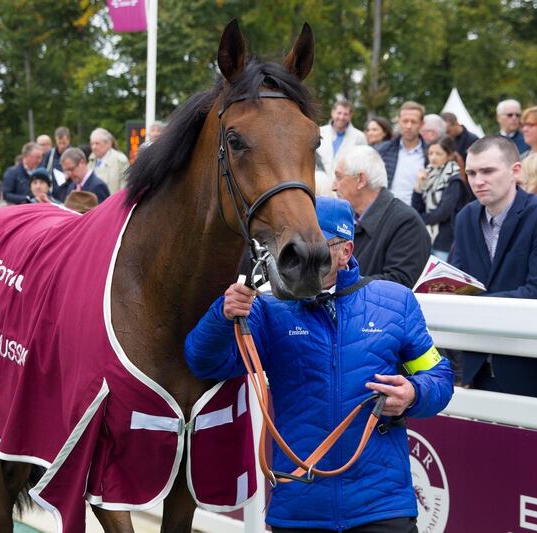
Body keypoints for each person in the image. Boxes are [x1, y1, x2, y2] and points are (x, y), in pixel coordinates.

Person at [184, 196, 453, 533]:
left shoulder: (395, 302)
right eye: (295, 245)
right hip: (299, 508)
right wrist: (221, 316)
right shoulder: (270, 309)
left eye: (316, 244)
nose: (304, 254)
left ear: (346, 251)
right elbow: (204, 362)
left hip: (381, 508)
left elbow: (439, 376)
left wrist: (414, 392)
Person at [450, 136, 537, 399]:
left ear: (516, 171)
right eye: (471, 172)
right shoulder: (465, 217)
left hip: (530, 362)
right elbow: (458, 282)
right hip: (477, 361)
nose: (478, 180)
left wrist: (475, 304)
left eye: (488, 171)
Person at [333, 145, 430, 288]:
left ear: (360, 180)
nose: (334, 186)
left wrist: (338, 283)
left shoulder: (406, 223)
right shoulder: (347, 219)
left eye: (339, 177)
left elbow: (400, 283)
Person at [412, 136, 469, 259]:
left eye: (438, 153)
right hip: (426, 236)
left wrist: (420, 219)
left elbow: (443, 212)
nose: (433, 157)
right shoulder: (428, 175)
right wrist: (419, 185)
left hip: (444, 239)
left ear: (449, 155)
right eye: (431, 153)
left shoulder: (455, 179)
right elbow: (416, 207)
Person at [378, 101, 428, 206]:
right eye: (405, 121)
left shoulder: (430, 153)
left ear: (421, 124)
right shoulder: (384, 150)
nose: (409, 126)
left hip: (417, 214)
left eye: (413, 122)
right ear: (399, 121)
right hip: (388, 211)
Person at [317, 100, 368, 187]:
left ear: (350, 116)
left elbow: (362, 165)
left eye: (345, 114)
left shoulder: (359, 137)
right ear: (332, 113)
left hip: (345, 187)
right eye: (339, 113)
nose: (341, 117)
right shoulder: (320, 132)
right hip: (320, 185)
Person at [88, 128, 130, 194]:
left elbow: (125, 187)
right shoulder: (91, 161)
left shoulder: (120, 160)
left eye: (97, 143)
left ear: (108, 144)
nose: (94, 147)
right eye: (92, 144)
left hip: (114, 202)